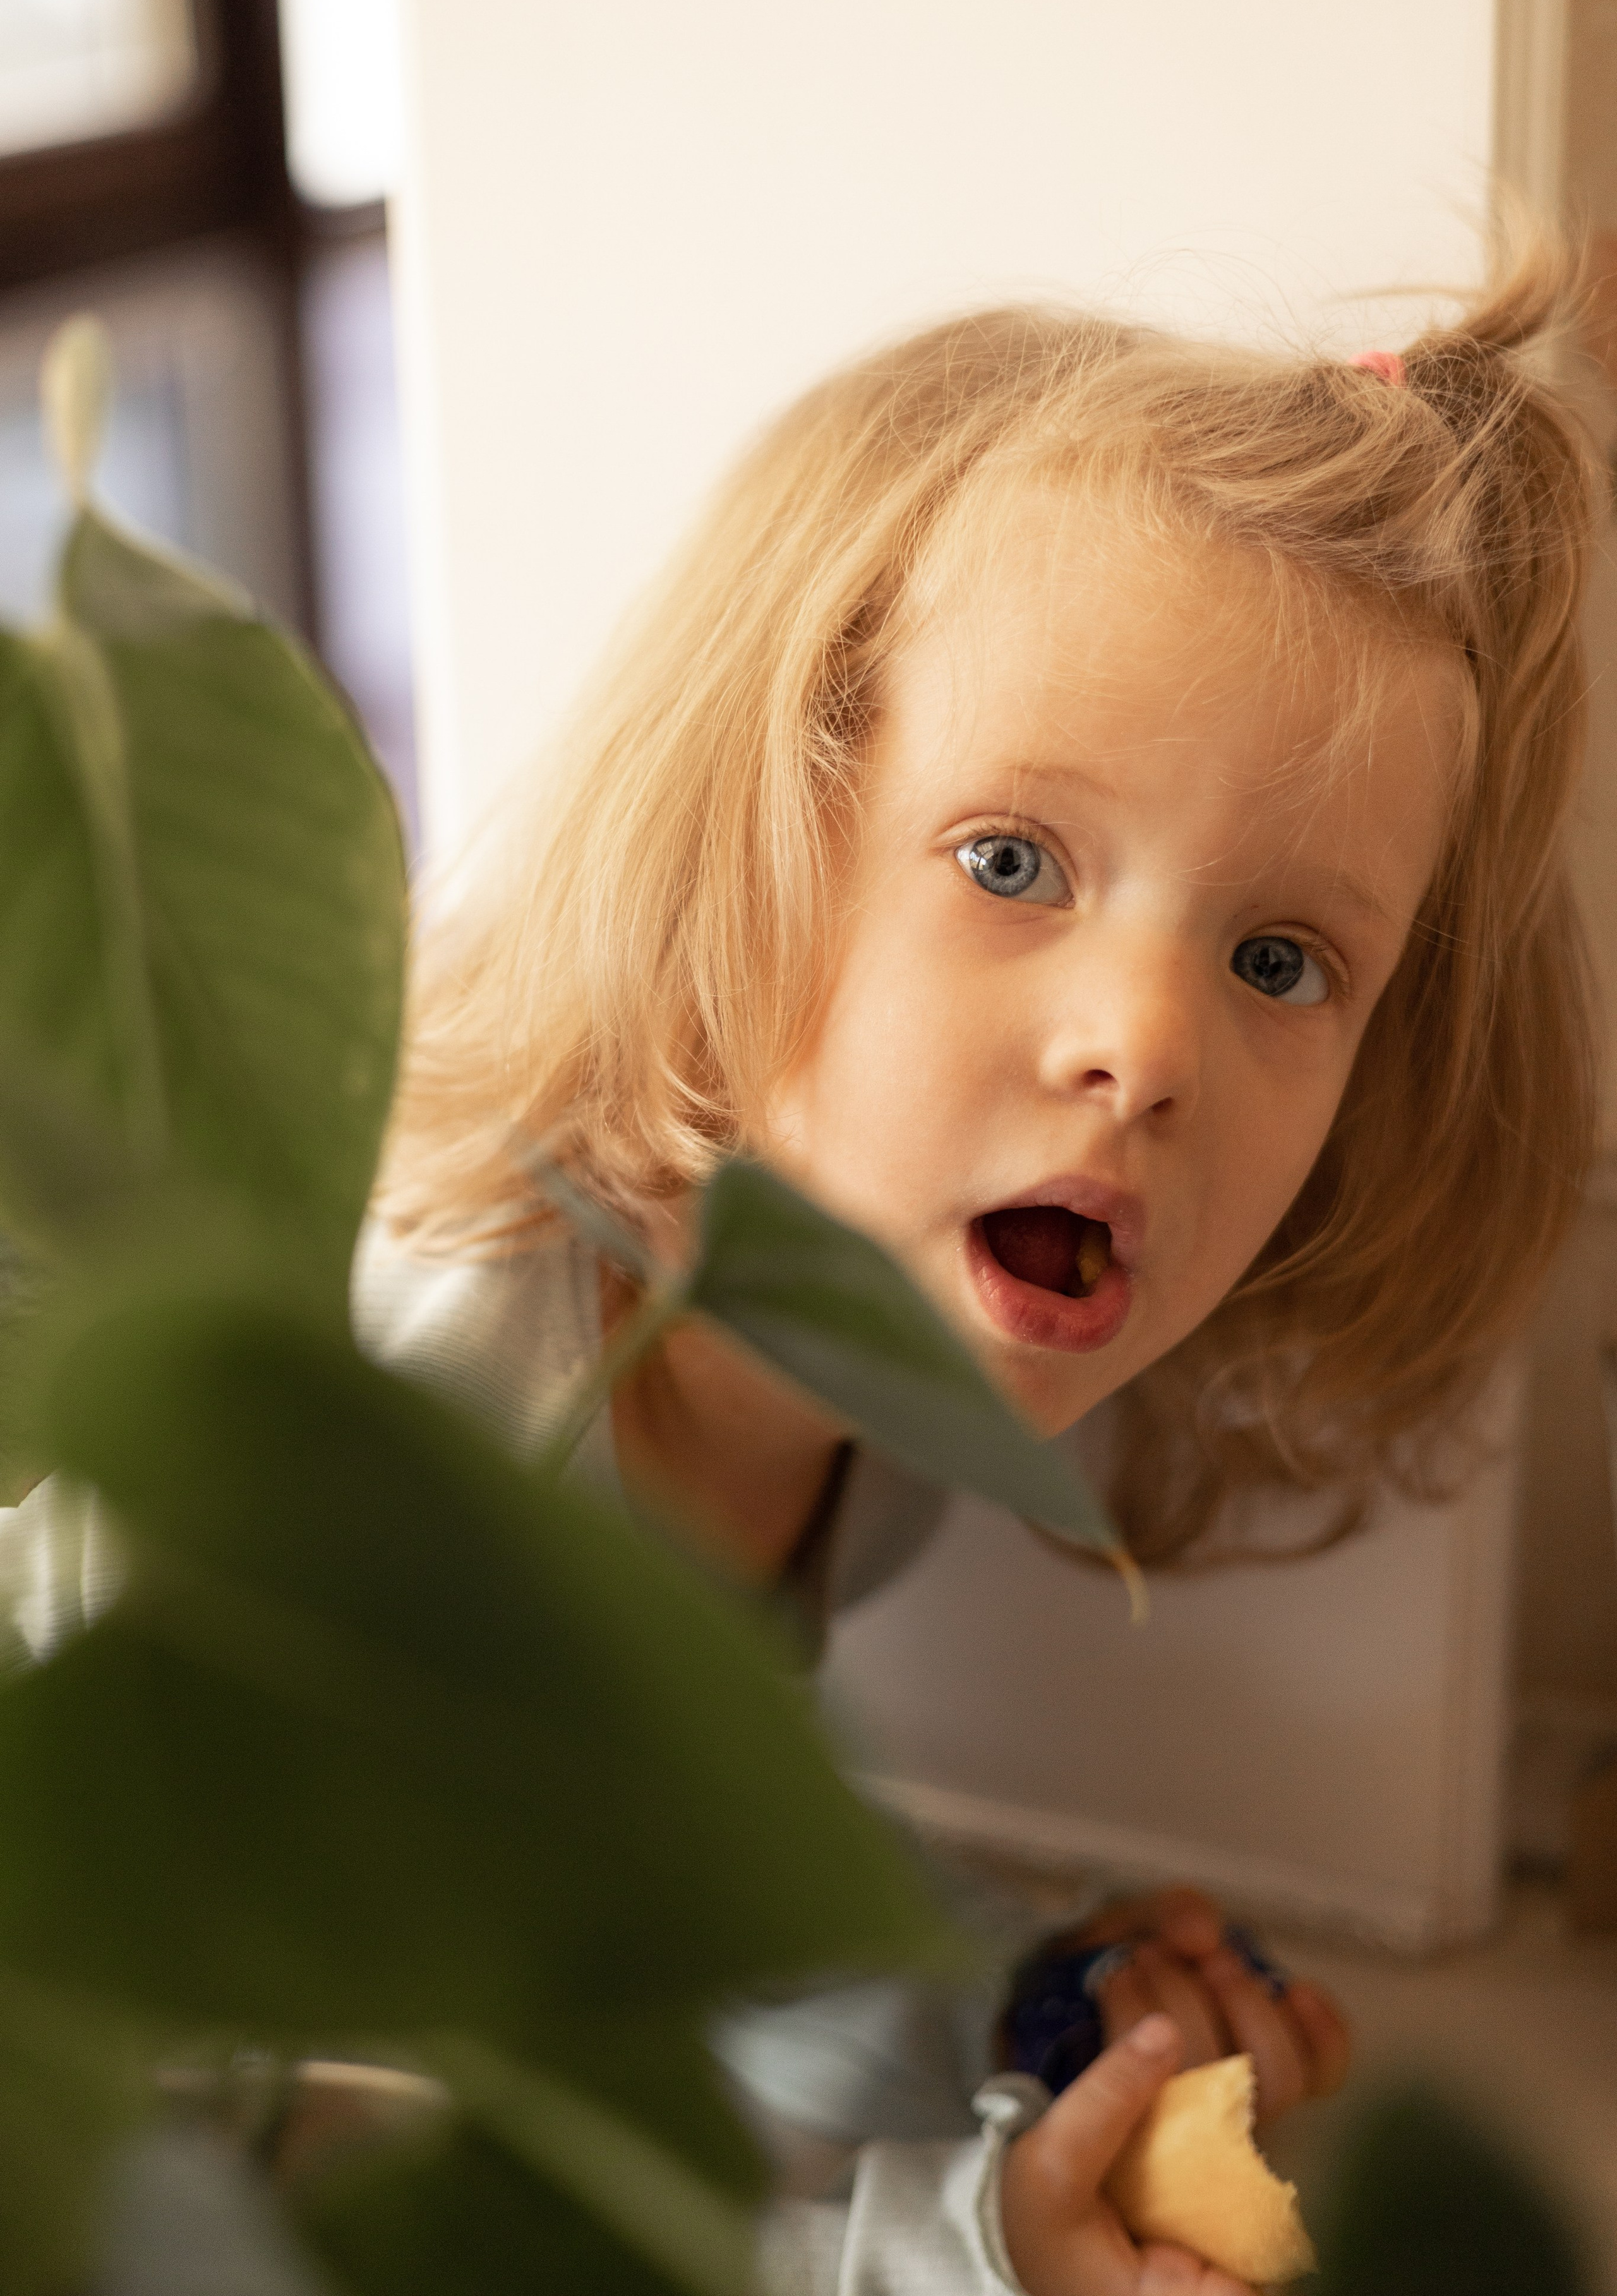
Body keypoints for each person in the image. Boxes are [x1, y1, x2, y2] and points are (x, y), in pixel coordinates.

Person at [358, 231, 1597, 2295]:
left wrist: (1027, 1998)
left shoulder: (873, 1407)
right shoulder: (448, 1415)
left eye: (1280, 959)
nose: (1148, 1047)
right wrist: (934, 2256)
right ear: (742, 837)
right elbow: (254, 2150)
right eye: (1012, 860)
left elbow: (678, 1858)